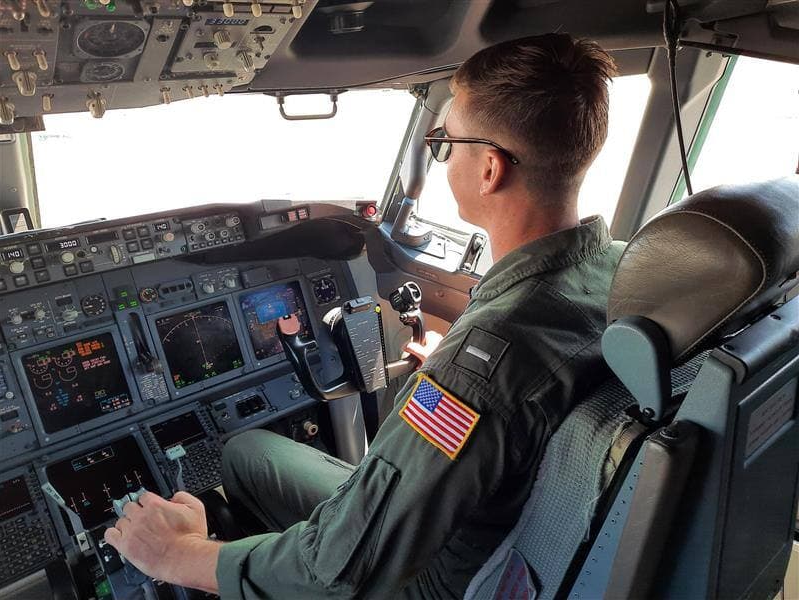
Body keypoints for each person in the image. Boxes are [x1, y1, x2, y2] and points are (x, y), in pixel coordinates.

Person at [104, 33, 624, 598]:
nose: (442, 154)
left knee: (249, 488)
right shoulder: (620, 267)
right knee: (248, 452)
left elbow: (334, 571)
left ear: (490, 170)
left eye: (445, 143)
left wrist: (177, 553)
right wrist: (448, 373)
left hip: (446, 578)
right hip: (522, 538)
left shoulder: (477, 375)